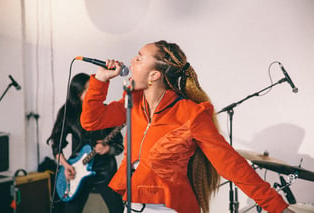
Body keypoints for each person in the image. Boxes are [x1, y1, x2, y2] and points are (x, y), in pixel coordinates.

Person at [80, 41, 294, 213]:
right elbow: (91, 121)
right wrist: (100, 80)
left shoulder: (191, 114)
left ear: (154, 75)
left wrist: (277, 207)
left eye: (139, 57)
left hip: (168, 207)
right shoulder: (133, 102)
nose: (131, 61)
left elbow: (232, 164)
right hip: (132, 203)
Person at [46, 73, 124, 213]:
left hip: (105, 169)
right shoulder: (68, 112)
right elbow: (56, 143)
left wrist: (107, 149)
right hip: (78, 169)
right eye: (89, 88)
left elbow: (119, 146)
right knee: (71, 210)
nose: (94, 90)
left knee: (117, 208)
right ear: (78, 94)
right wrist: (65, 165)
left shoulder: (106, 110)